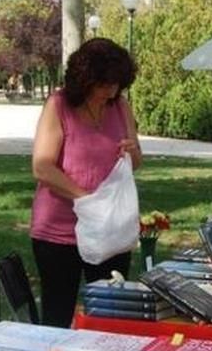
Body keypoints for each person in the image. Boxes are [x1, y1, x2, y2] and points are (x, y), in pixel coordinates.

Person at [30, 38, 142, 328]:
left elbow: (136, 160)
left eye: (117, 84)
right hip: (59, 232)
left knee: (111, 315)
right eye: (105, 84)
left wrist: (132, 153)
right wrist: (88, 201)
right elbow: (43, 167)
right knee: (57, 316)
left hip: (110, 231)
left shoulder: (120, 107)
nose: (112, 91)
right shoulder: (59, 105)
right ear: (86, 79)